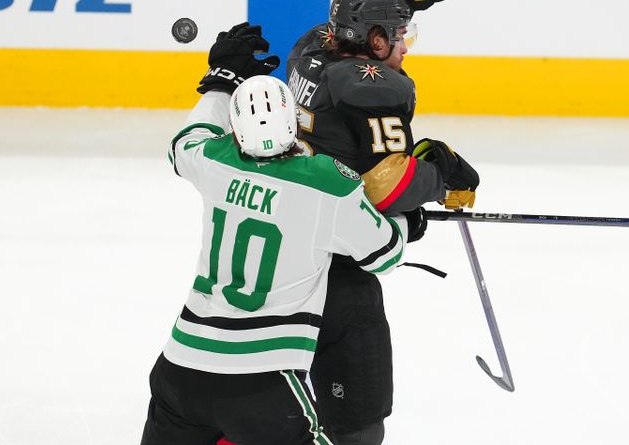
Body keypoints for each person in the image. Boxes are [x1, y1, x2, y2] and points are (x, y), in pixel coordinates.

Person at [141, 25, 423, 445]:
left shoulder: (214, 162)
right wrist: (407, 220)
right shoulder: (327, 185)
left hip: (180, 370)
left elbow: (186, 140)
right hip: (262, 383)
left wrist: (221, 82)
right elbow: (384, 254)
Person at [277, 0, 484, 444]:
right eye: (397, 36)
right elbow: (386, 186)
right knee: (357, 424)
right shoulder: (371, 85)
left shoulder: (313, 49)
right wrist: (440, 175)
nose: (405, 45)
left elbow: (368, 13)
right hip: (338, 272)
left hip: (284, 252)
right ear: (372, 42)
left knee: (275, 409)